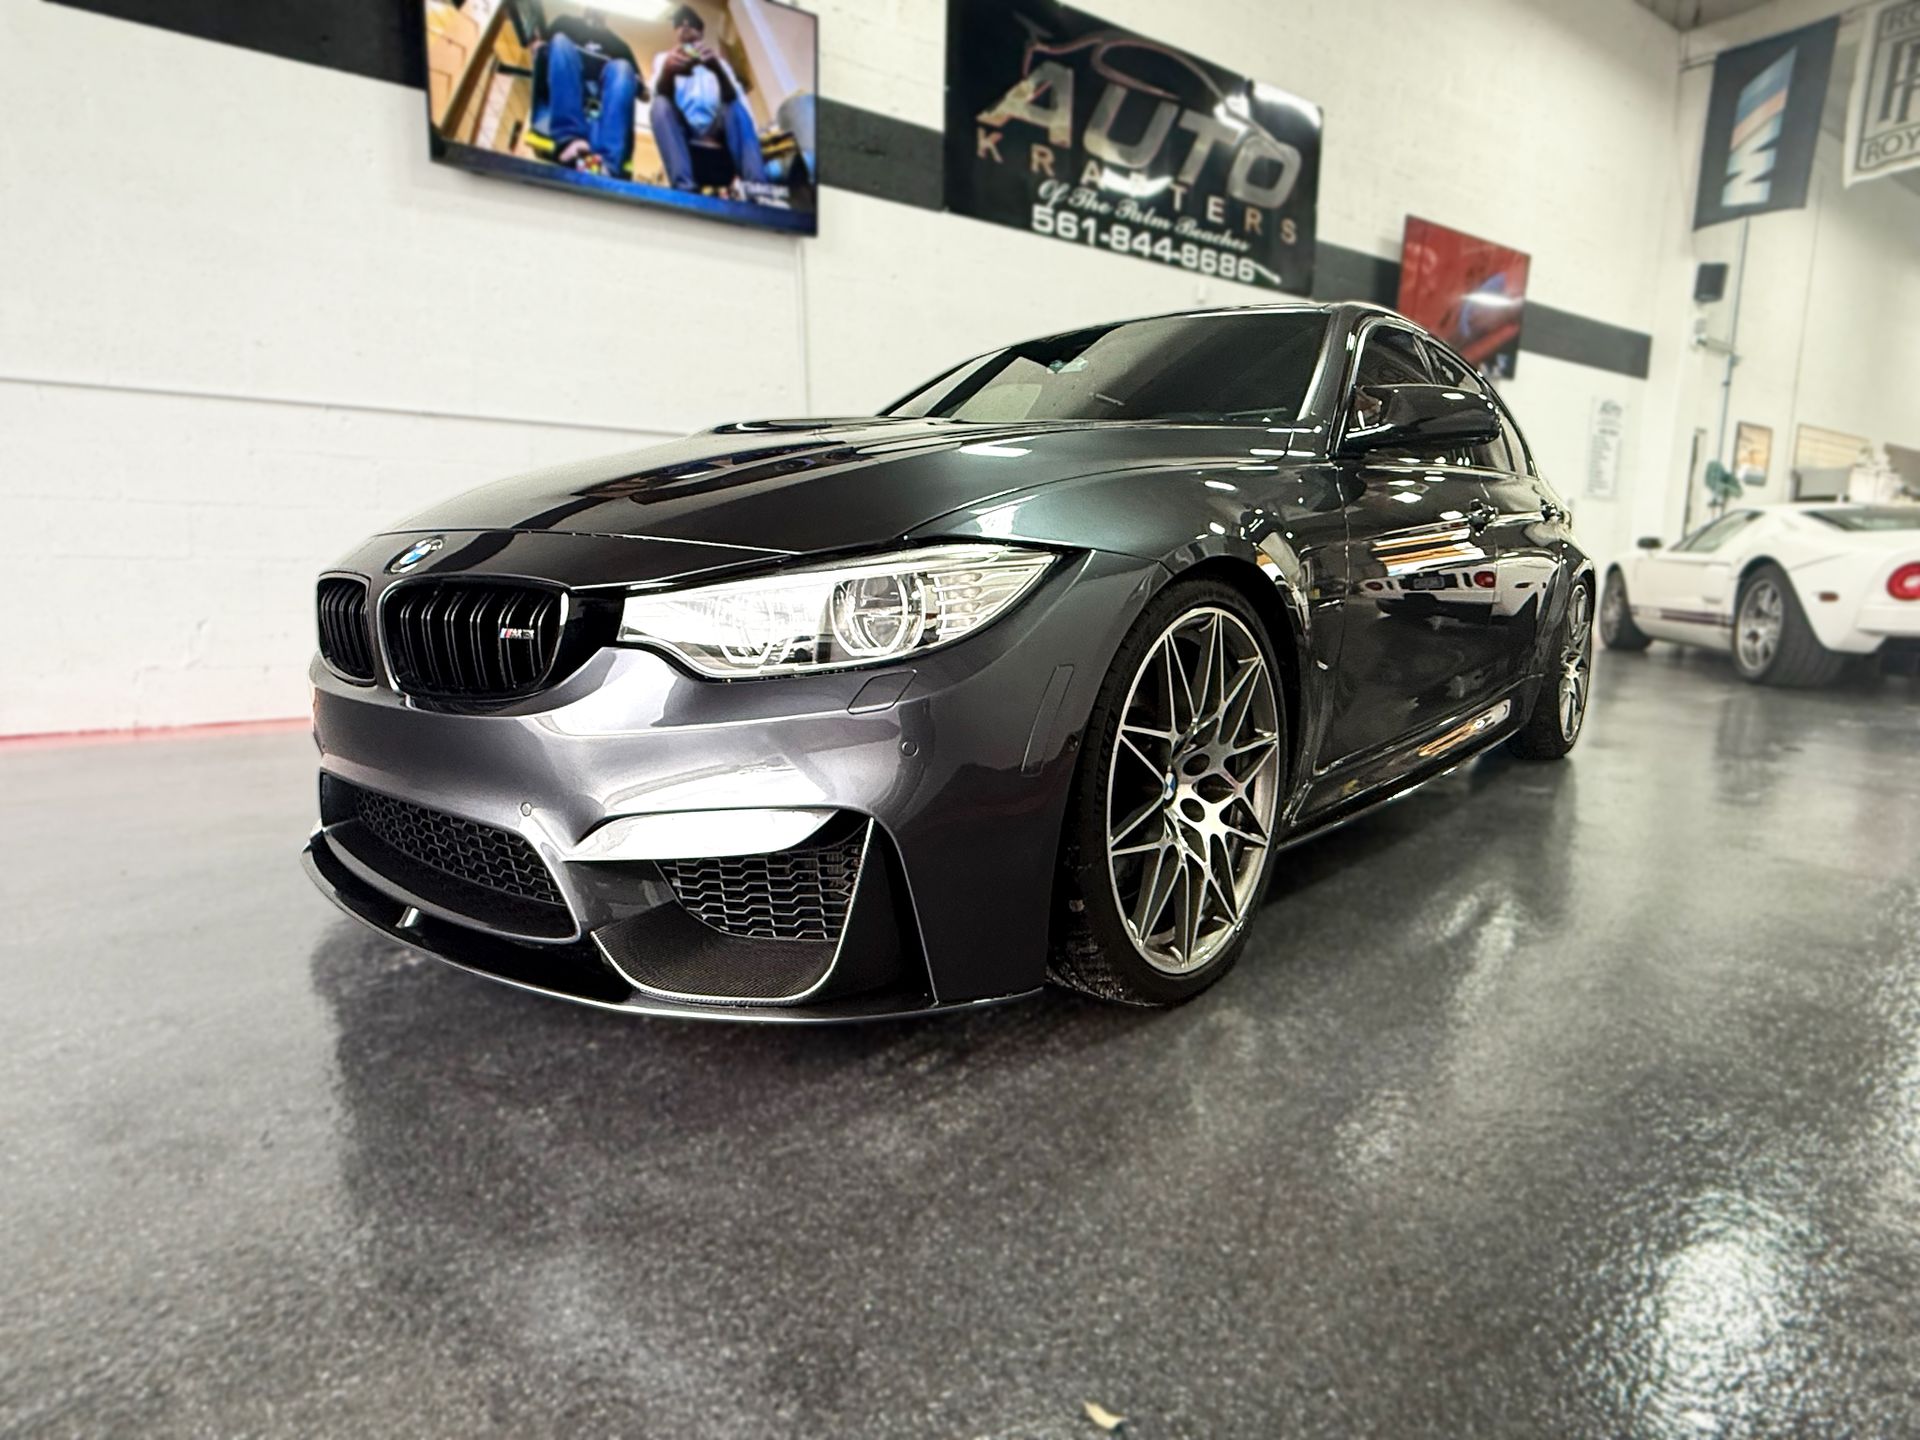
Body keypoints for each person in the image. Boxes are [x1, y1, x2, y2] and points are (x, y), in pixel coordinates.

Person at [648, 5, 767, 192]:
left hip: (718, 133)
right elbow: (658, 105)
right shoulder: (664, 59)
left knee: (734, 106)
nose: (686, 27)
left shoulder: (720, 63)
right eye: (680, 24)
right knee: (660, 105)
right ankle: (684, 188)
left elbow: (734, 101)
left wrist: (717, 70)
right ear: (675, 32)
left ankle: (758, 190)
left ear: (702, 32)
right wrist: (669, 74)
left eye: (692, 24)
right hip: (685, 135)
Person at [543, 8, 644, 176]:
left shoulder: (620, 46)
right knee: (560, 41)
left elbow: (644, 94)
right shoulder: (564, 23)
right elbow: (539, 52)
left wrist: (638, 84)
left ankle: (607, 163)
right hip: (571, 96)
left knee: (623, 67)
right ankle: (571, 141)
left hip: (603, 108)